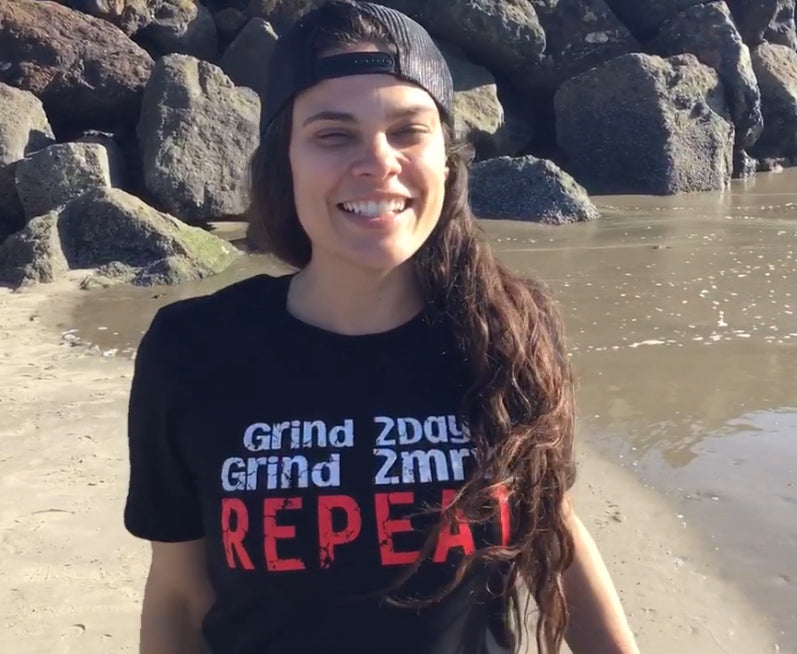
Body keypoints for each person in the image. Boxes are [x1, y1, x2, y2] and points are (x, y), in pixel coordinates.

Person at [124, 2, 640, 653]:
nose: (377, 160)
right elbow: (178, 593)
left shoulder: (506, 329)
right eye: (333, 135)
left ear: (447, 160)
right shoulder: (193, 352)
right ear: (284, 160)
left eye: (407, 131)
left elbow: (553, 533)